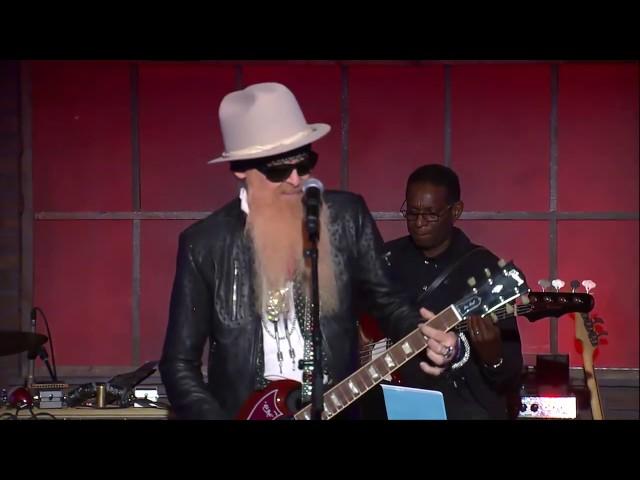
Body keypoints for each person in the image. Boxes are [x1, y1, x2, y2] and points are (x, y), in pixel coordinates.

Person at [159, 82, 468, 420]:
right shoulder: (204, 244)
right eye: (278, 169)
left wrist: (429, 340)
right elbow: (179, 364)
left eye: (304, 163)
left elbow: (389, 304)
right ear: (241, 170)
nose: (295, 179)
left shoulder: (346, 218)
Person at [360, 164, 524, 419]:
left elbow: (510, 375)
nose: (419, 223)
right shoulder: (386, 259)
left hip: (458, 409)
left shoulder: (487, 273)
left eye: (430, 214)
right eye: (412, 213)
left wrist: (493, 357)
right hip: (383, 403)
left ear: (455, 211)